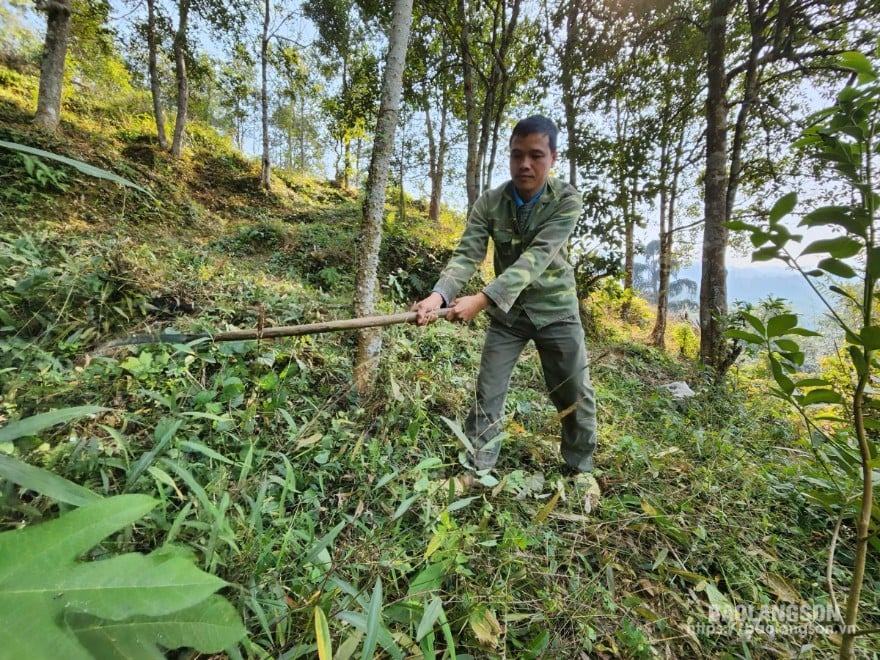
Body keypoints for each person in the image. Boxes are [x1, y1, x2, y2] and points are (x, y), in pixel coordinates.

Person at [412, 115, 597, 477]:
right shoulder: (490, 202)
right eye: (517, 155)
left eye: (536, 155)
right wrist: (439, 297)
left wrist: (481, 299)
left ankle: (580, 469)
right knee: (488, 391)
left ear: (553, 158)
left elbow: (537, 257)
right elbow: (467, 255)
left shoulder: (566, 200)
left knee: (574, 392)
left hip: (556, 311)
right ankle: (478, 467)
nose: (525, 164)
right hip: (508, 316)